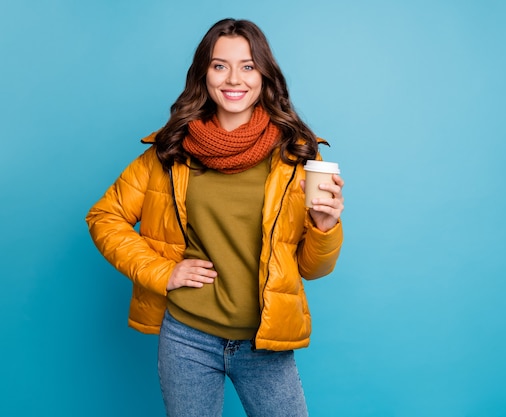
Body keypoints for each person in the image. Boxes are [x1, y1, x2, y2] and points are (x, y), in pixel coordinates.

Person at [86, 18, 344, 417]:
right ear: (204, 74)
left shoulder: (298, 156)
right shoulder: (170, 151)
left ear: (263, 76)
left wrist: (325, 228)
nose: (233, 78)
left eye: (247, 66)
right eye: (220, 65)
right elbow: (104, 216)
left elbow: (312, 269)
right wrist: (163, 273)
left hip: (264, 340)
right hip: (187, 337)